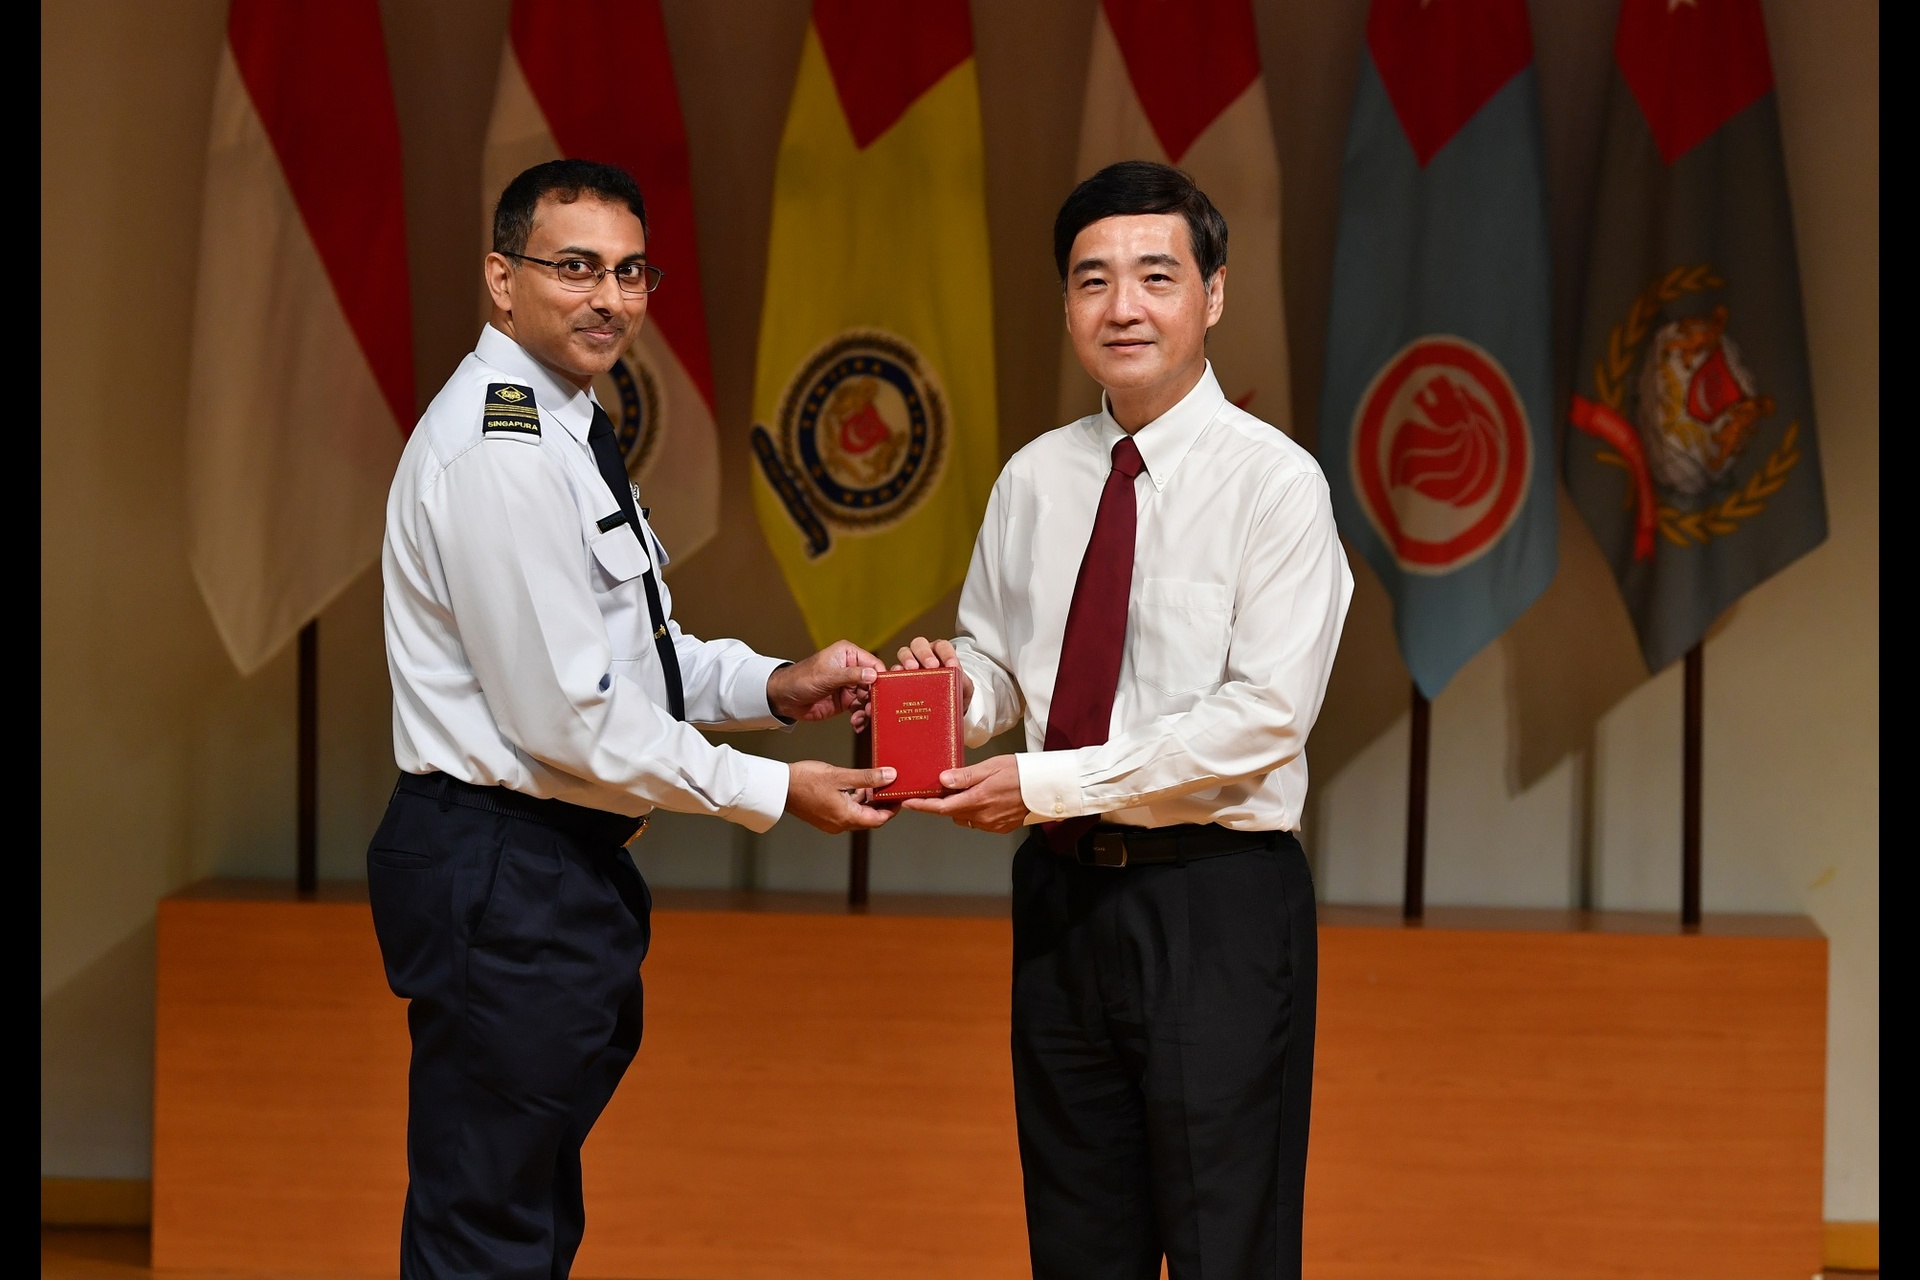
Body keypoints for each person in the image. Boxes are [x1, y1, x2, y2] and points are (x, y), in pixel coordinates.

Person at [369, 158, 896, 1279]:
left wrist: (776, 685)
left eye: (631, 271)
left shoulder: (569, 425)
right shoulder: (504, 452)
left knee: (523, 1212)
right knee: (488, 1229)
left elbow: (627, 660)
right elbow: (569, 719)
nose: (609, 297)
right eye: (575, 267)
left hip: (548, 868)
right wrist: (775, 789)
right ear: (501, 279)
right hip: (506, 865)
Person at [896, 160, 1353, 1280]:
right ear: (1067, 303)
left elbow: (1265, 716)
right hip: (1062, 900)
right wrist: (950, 692)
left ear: (1214, 294)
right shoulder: (1034, 479)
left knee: (1226, 1246)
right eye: (1093, 280)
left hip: (1216, 901)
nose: (1123, 307)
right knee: (1077, 1245)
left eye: (1157, 275)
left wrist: (1047, 783)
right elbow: (1005, 663)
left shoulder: (1276, 485)